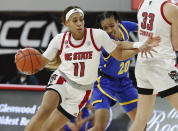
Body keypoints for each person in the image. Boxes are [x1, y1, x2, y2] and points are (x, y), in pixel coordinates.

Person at [20, 6, 160, 131]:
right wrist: (29, 65)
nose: (79, 23)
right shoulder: (60, 39)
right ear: (67, 23)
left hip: (84, 90)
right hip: (70, 80)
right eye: (75, 20)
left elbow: (125, 43)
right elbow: (41, 63)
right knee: (45, 109)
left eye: (81, 19)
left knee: (50, 129)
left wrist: (150, 38)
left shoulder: (97, 35)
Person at [129, 0, 178, 131]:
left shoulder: (142, 3)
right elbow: (176, 44)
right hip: (162, 66)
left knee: (140, 121)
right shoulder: (171, 9)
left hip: (142, 64)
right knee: (140, 120)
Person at [88, 12, 139, 131]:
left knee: (141, 123)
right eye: (105, 28)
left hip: (124, 82)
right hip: (105, 83)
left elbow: (146, 28)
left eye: (112, 25)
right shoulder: (104, 41)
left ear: (118, 23)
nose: (109, 30)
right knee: (100, 127)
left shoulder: (125, 26)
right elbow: (120, 53)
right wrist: (141, 46)